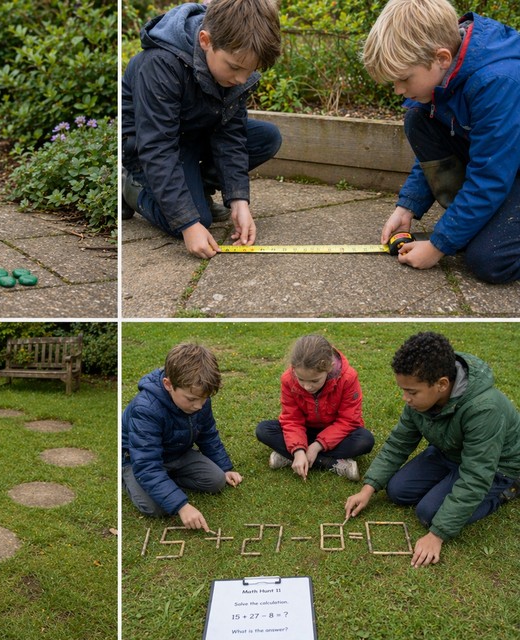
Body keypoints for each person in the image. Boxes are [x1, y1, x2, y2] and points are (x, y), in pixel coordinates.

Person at [362, 0, 520, 283]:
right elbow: (435, 153)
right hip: (502, 163)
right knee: (417, 118)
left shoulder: (497, 82)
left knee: (490, 260)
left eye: (403, 79)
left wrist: (438, 245)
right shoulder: (446, 72)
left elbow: (489, 177)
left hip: (504, 169)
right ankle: (472, 219)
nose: (398, 90)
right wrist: (407, 206)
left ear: (442, 59)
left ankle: (476, 221)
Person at [121, 0, 282, 259]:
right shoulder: (160, 63)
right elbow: (158, 148)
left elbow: (230, 134)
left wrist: (238, 200)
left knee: (267, 138)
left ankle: (196, 189)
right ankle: (132, 188)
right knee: (195, 221)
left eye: (250, 70)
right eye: (235, 68)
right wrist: (187, 223)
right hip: (147, 148)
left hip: (192, 134)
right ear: (205, 40)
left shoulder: (232, 65)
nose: (241, 79)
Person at [345, 332, 520, 568]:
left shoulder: (485, 409)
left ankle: (507, 490)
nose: (405, 398)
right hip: (449, 453)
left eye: (412, 392)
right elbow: (399, 442)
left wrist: (437, 535)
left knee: (429, 513)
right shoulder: (420, 400)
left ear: (442, 385)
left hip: (497, 467)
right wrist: (368, 488)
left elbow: (476, 475)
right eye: (403, 390)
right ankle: (447, 480)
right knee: (397, 491)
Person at [122, 343, 242, 532]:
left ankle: (164, 482)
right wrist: (182, 506)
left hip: (177, 452)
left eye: (204, 399)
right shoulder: (146, 409)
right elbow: (146, 463)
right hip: (137, 459)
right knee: (156, 507)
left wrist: (225, 467)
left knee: (216, 480)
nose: (199, 406)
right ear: (168, 385)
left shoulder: (199, 398)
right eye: (191, 399)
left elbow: (208, 434)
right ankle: (129, 478)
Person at [256, 334, 375, 482]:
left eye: (314, 381)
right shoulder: (288, 379)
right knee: (264, 430)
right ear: (294, 368)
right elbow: (292, 419)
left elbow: (348, 420)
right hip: (305, 432)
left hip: (337, 434)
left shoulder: (348, 378)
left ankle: (289, 456)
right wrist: (298, 449)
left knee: (365, 440)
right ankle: (329, 463)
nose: (307, 386)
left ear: (329, 367)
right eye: (301, 379)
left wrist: (317, 446)